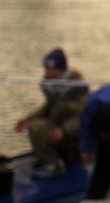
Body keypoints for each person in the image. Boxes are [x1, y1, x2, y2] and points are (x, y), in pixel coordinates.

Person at [15, 47, 89, 177]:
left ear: (59, 69)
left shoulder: (78, 90)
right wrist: (28, 119)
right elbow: (48, 108)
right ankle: (53, 156)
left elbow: (85, 117)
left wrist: (64, 130)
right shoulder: (56, 88)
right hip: (61, 131)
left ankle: (54, 166)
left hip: (76, 138)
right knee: (35, 123)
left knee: (36, 128)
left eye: (48, 68)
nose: (45, 72)